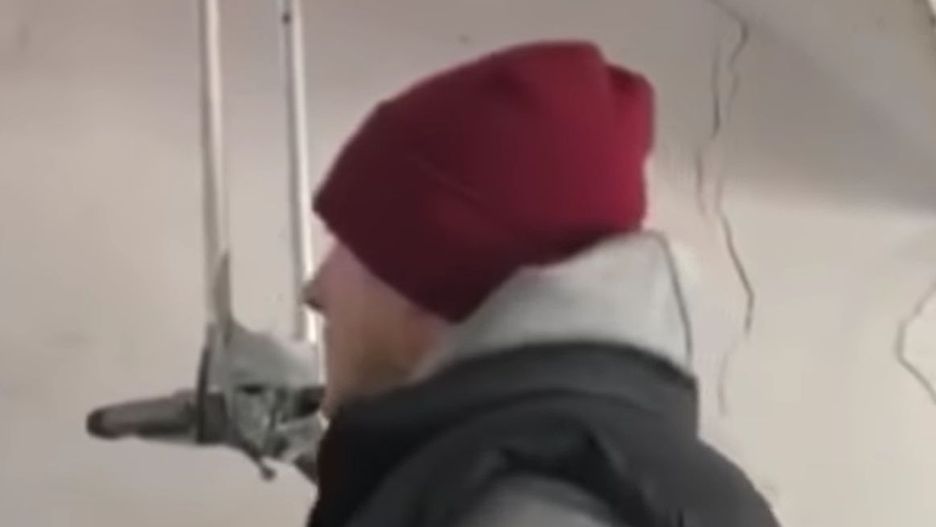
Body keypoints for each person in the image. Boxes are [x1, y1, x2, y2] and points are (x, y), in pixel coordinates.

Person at [302, 41, 779, 527]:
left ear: (421, 278)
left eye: (347, 242)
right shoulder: (572, 472)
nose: (314, 289)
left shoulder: (530, 508)